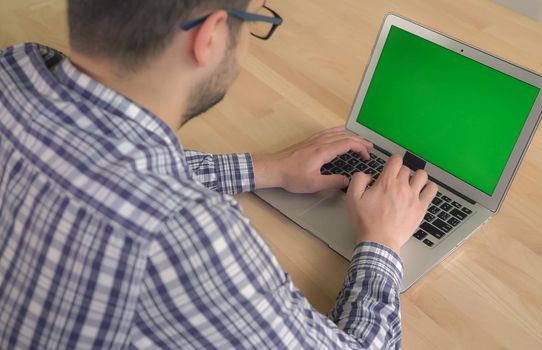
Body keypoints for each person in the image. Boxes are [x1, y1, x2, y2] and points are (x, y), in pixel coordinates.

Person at [0, 0, 437, 348]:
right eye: (254, 18)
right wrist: (382, 241)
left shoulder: (16, 69)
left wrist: (264, 169)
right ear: (209, 37)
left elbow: (98, 160)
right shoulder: (181, 234)